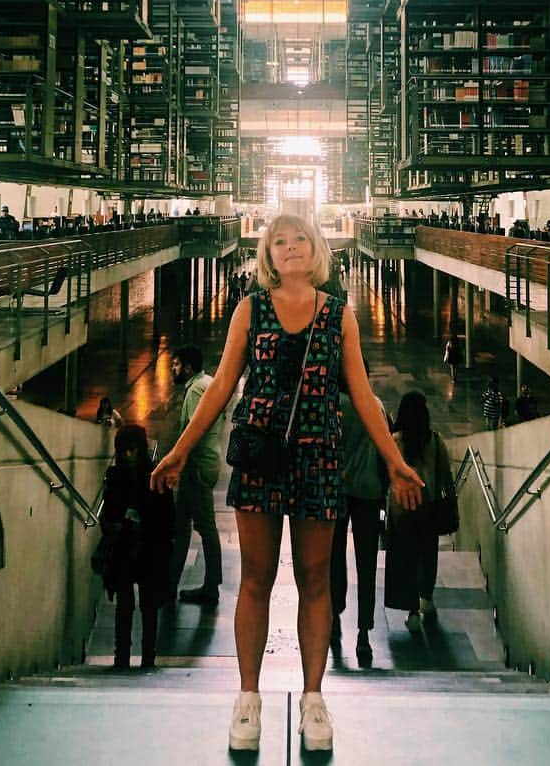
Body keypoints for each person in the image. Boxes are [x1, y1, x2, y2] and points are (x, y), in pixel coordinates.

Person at [150, 213, 425, 755]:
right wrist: (178, 452)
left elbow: (364, 395)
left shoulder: (337, 315)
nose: (291, 246)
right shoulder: (249, 310)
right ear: (268, 255)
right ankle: (248, 697)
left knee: (316, 578)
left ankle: (314, 698)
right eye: (280, 240)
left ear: (317, 249)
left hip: (319, 455)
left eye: (301, 238)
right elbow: (221, 387)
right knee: (255, 576)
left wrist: (394, 460)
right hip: (260, 454)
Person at [96, 424, 175, 671]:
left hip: (145, 546)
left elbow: (167, 517)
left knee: (144, 605)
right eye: (126, 451)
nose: (130, 455)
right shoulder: (123, 476)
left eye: (133, 450)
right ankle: (128, 657)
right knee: (129, 604)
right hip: (132, 547)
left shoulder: (141, 475)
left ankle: (141, 657)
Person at [329, 360, 388, 665]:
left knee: (334, 557)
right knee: (366, 564)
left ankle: (335, 616)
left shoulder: (333, 407)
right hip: (369, 492)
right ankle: (364, 633)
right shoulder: (374, 406)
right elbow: (385, 449)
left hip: (337, 490)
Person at [384, 391, 453, 633]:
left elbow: (386, 474)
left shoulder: (394, 441)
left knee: (404, 559)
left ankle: (411, 611)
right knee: (427, 555)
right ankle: (427, 598)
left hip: (401, 510)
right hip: (428, 508)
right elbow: (445, 476)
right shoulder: (434, 440)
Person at [166, 344, 224, 609]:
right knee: (182, 525)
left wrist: (176, 465)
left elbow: (193, 430)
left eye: (176, 365)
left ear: (188, 367)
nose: (172, 370)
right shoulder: (208, 383)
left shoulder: (195, 390)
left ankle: (209, 586)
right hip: (207, 461)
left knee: (201, 527)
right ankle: (173, 583)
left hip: (197, 466)